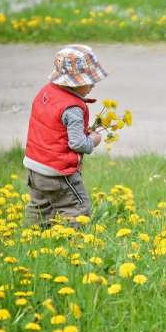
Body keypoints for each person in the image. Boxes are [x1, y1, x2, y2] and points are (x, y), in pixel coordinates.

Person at [23, 44, 107, 226]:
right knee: (78, 208)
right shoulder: (73, 108)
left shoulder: (46, 92)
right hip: (57, 172)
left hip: (34, 165)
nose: (93, 84)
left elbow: (54, 127)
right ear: (75, 82)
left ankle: (31, 236)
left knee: (39, 207)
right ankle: (73, 244)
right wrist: (93, 140)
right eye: (89, 81)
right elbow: (77, 143)